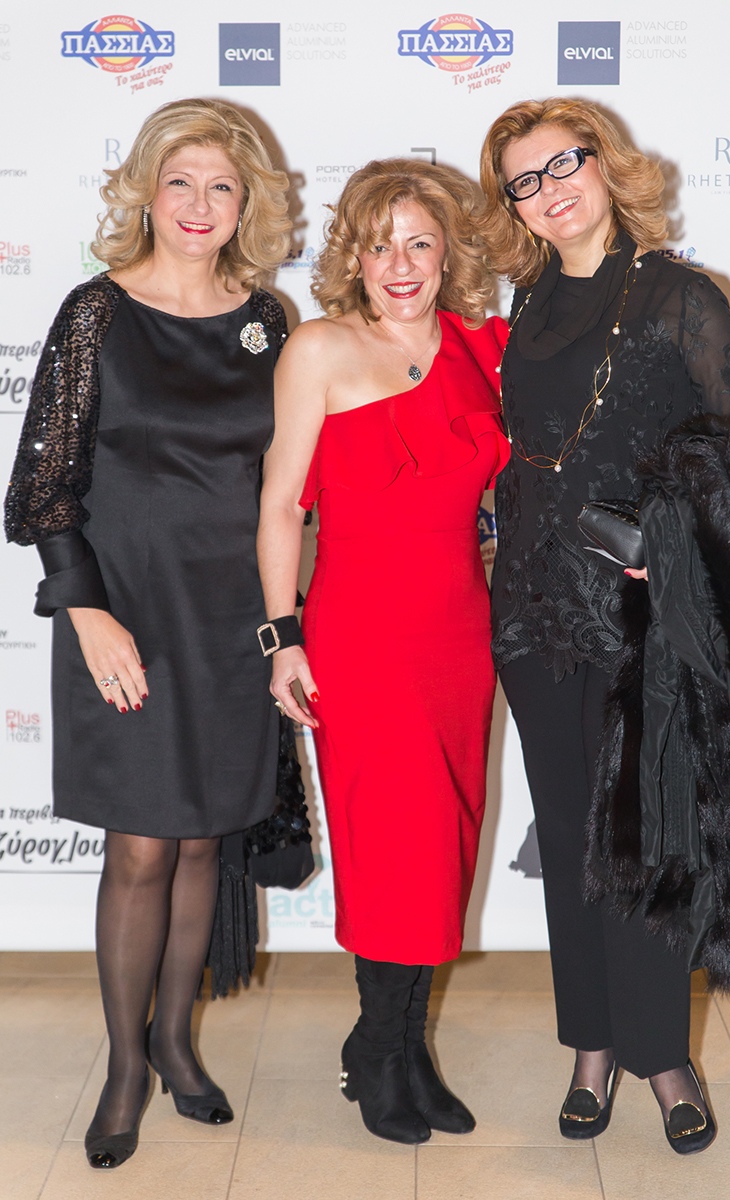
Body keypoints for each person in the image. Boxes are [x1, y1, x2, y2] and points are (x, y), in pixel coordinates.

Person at [479, 97, 730, 1154]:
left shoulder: (677, 296)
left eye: (563, 164)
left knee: (643, 836)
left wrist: (673, 529)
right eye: (524, 180)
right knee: (566, 836)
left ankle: (660, 1056)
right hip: (530, 610)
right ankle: (590, 1046)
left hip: (639, 612)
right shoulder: (523, 302)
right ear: (512, 205)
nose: (549, 190)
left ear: (605, 164)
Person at [4, 98, 291, 1169]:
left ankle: (176, 1043)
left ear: (246, 203)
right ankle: (126, 1067)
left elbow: (287, 483)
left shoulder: (268, 321)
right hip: (122, 615)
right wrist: (85, 613)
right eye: (181, 182)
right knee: (140, 846)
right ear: (146, 192)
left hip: (232, 620)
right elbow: (42, 489)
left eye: (222, 186)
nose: (199, 205)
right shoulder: (97, 313)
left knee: (205, 839)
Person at [257, 158, 509, 1144]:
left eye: (418, 243)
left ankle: (399, 1050)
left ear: (448, 254)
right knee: (389, 846)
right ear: (352, 257)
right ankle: (381, 1051)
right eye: (378, 245)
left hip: (460, 632)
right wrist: (282, 637)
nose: (399, 264)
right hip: (361, 630)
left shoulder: (481, 346)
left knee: (444, 842)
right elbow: (280, 505)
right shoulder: (319, 347)